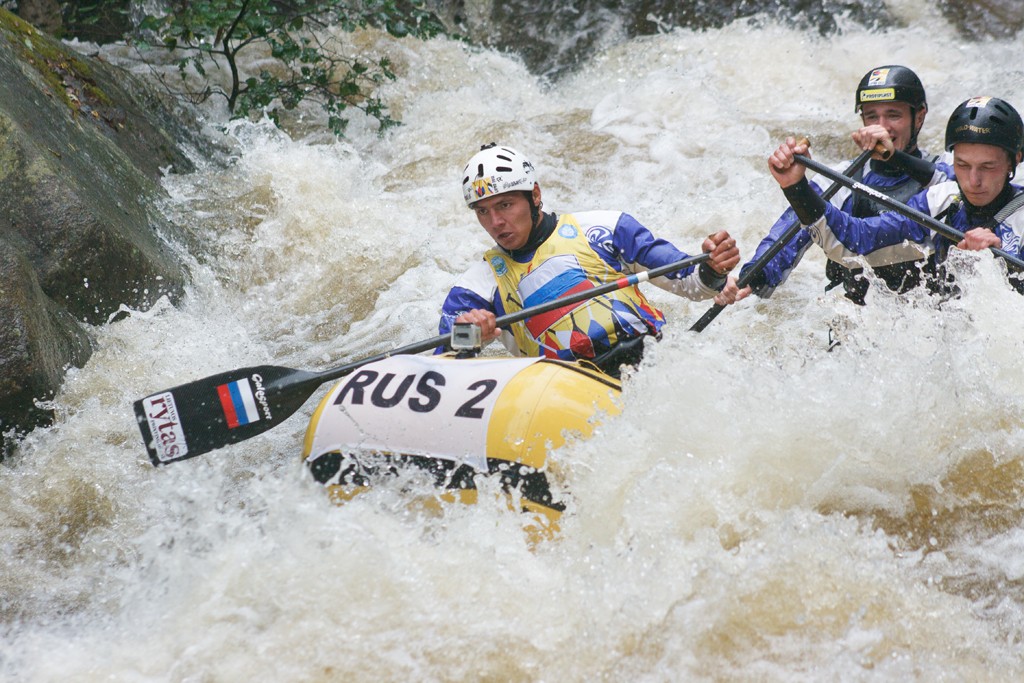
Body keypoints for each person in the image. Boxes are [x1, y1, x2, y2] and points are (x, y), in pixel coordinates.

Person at [437, 143, 740, 376]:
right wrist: (469, 333)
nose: (495, 222)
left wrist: (713, 268)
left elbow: (692, 284)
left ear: (535, 195)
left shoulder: (607, 229)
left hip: (650, 364)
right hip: (567, 390)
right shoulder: (477, 286)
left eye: (505, 205)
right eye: (483, 211)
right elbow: (444, 358)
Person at [722, 65, 954, 305]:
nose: (881, 127)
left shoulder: (947, 171)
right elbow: (792, 230)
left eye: (893, 115)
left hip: (928, 316)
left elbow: (960, 190)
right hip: (860, 318)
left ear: (919, 116)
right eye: (871, 116)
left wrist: (893, 155)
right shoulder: (842, 177)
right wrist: (752, 276)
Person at [765, 96, 1024, 295]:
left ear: (1015, 160)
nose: (973, 181)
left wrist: (1000, 267)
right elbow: (855, 242)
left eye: (988, 167)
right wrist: (796, 186)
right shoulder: (942, 201)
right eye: (963, 165)